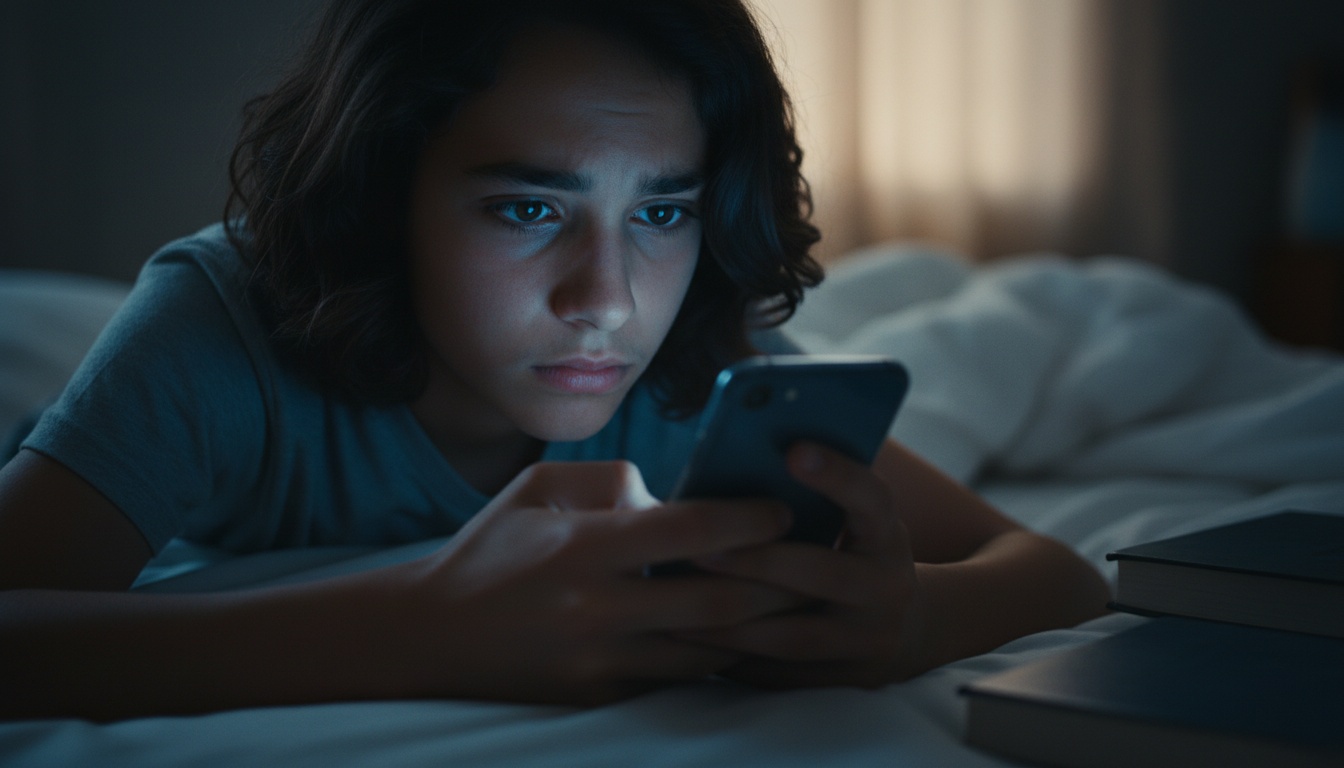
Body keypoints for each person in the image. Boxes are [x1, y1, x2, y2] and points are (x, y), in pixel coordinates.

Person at [0, 0, 1109, 721]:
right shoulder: (220, 329)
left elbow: (1055, 569)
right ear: (384, 202)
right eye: (529, 208)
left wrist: (913, 620)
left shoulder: (690, 361)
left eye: (663, 213)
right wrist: (411, 632)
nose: (609, 302)